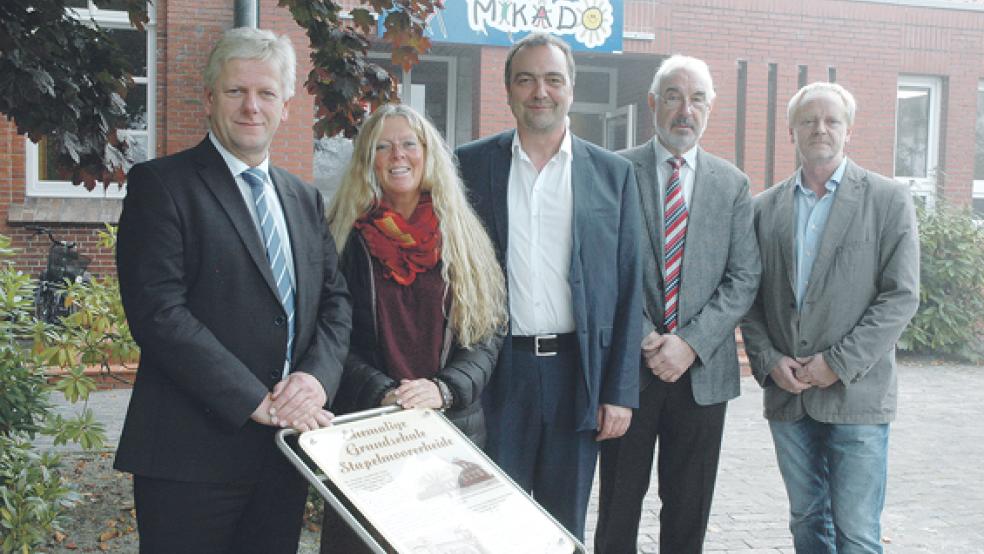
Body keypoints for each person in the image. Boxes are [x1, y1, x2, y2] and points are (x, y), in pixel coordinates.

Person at [114, 27, 351, 553]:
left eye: (266, 93)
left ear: (285, 105)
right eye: (235, 91)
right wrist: (254, 401)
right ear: (208, 99)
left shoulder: (304, 198)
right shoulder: (162, 185)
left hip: (281, 455)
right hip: (189, 459)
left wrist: (316, 379)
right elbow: (158, 313)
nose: (251, 106)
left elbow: (335, 303)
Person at [455, 32, 643, 541]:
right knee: (493, 523)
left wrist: (619, 391)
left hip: (576, 375)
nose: (541, 91)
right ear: (509, 91)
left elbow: (630, 288)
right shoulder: (468, 166)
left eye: (553, 79)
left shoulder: (613, 176)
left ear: (571, 89)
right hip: (498, 375)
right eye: (527, 79)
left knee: (563, 527)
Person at [318, 103, 507, 553]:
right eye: (381, 147)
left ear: (428, 153)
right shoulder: (340, 235)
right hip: (369, 428)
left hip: (450, 426)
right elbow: (328, 334)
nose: (396, 155)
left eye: (408, 144)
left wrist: (445, 389)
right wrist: (384, 392)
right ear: (367, 160)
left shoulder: (463, 234)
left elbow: (488, 330)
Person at [740, 82, 920, 553]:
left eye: (831, 121)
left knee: (857, 531)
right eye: (808, 121)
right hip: (789, 396)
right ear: (791, 131)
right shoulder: (764, 209)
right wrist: (768, 359)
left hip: (856, 396)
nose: (820, 129)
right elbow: (750, 298)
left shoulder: (887, 200)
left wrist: (836, 363)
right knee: (806, 523)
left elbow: (900, 297)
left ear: (848, 130)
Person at [593, 55, 761, 554]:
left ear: (710, 109)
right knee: (618, 508)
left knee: (689, 511)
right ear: (652, 104)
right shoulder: (615, 170)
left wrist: (688, 343)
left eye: (697, 99)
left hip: (702, 374)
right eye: (673, 96)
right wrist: (648, 337)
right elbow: (602, 267)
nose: (684, 109)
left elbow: (744, 276)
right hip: (629, 372)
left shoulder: (732, 184)